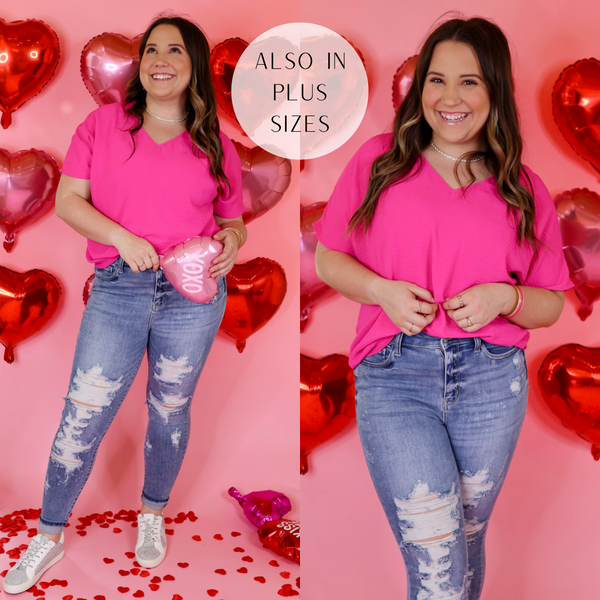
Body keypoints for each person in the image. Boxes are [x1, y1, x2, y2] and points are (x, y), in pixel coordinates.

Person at [314, 17, 572, 600]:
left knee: (465, 540)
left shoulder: (523, 189)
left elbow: (551, 303)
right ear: (420, 89)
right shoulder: (380, 163)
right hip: (395, 374)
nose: (449, 98)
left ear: (495, 92)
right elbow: (330, 258)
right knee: (435, 551)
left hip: (491, 381)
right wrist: (381, 291)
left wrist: (504, 297)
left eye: (470, 83)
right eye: (437, 80)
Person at [3, 15, 246, 594]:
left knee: (169, 411)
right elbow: (68, 201)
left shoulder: (216, 142)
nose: (161, 60)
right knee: (83, 412)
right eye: (152, 50)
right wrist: (122, 238)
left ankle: (152, 514)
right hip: (119, 289)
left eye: (175, 51)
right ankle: (50, 532)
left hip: (193, 295)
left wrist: (232, 245)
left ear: (193, 67)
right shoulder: (103, 125)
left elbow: (233, 221)